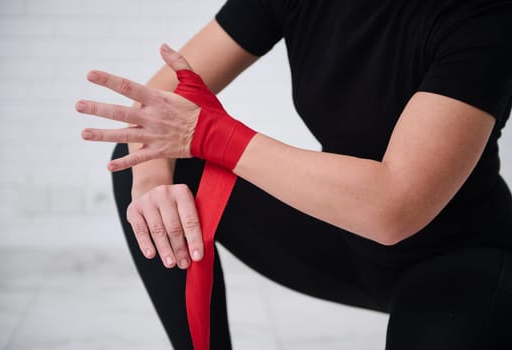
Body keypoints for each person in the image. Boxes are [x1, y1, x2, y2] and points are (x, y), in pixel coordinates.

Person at [77, 0, 512, 348]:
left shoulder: (483, 17)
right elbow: (158, 103)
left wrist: (214, 134)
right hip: (341, 239)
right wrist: (154, 184)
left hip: (456, 260)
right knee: (151, 159)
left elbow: (393, 207)